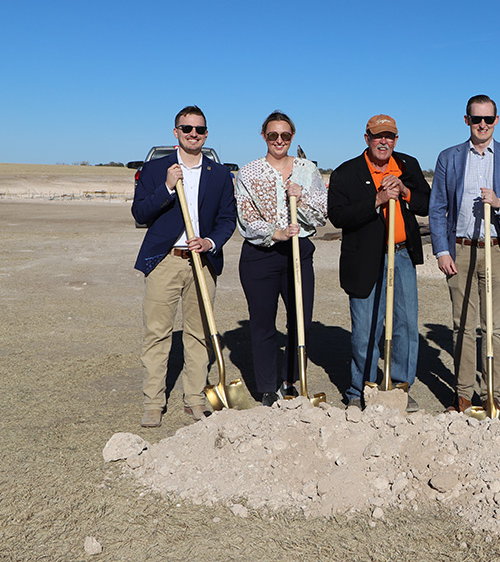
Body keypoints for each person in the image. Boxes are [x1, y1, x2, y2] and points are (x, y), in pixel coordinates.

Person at [132, 105, 237, 428]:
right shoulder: (155, 169)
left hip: (201, 263)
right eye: (187, 128)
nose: (194, 134)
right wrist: (166, 187)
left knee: (199, 334)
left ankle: (194, 399)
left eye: (200, 129)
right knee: (157, 334)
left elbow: (226, 219)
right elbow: (140, 214)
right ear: (175, 131)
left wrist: (210, 242)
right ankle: (153, 402)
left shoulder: (218, 174)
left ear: (206, 134)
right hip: (165, 260)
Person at [429, 95, 500, 412]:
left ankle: (491, 395)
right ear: (467, 121)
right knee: (462, 326)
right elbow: (437, 208)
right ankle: (463, 393)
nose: (482, 125)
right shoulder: (450, 157)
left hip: (497, 250)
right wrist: (442, 250)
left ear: (496, 120)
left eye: (488, 119)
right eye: (476, 119)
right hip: (459, 250)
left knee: (494, 328)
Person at [327, 115, 430, 411]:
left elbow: (426, 201)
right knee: (366, 330)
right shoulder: (347, 172)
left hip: (401, 256)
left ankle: (400, 386)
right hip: (364, 259)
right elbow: (338, 215)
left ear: (396, 140)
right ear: (366, 138)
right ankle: (360, 390)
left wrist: (405, 192)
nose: (384, 141)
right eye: (377, 136)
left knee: (405, 326)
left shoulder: (407, 165)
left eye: (390, 136)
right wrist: (377, 199)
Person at [235, 111, 327, 406]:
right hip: (260, 256)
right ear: (264, 136)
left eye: (285, 136)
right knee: (262, 323)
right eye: (273, 135)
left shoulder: (307, 170)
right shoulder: (248, 173)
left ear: (292, 137)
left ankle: (291, 380)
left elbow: (321, 213)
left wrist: (300, 199)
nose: (279, 140)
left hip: (298, 253)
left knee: (301, 321)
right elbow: (246, 218)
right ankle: (267, 387)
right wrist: (276, 233)